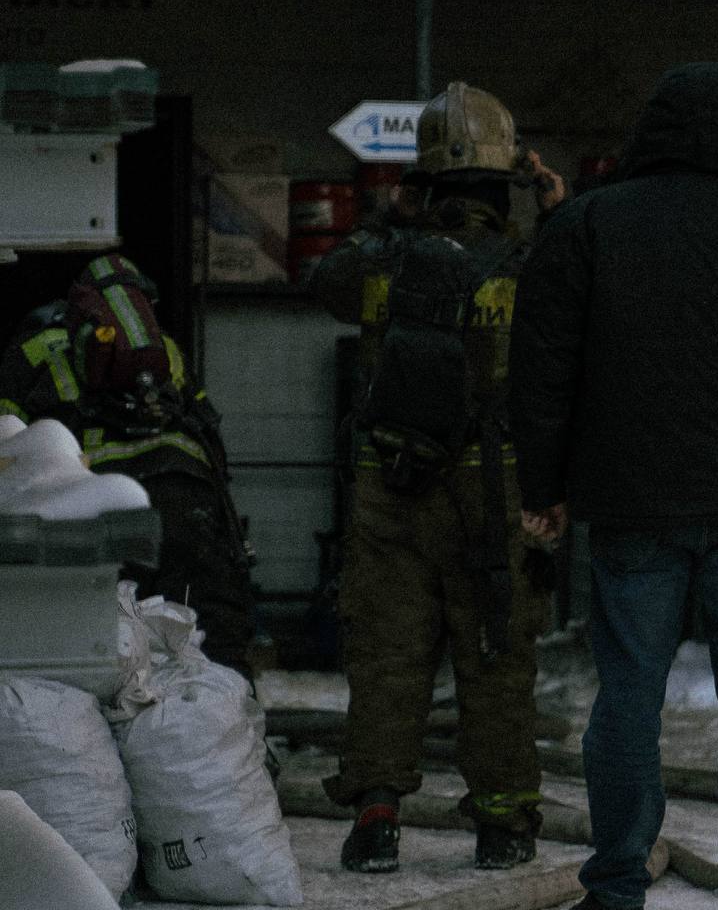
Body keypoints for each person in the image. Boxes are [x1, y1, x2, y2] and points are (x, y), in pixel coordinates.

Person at [511, 63, 718, 910]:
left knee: (627, 694)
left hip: (630, 507)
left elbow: (542, 369)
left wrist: (545, 482)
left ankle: (619, 886)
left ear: (649, 131)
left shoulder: (589, 226)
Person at [309, 82, 567, 875]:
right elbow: (576, 311)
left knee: (388, 659)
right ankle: (502, 828)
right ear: (503, 179)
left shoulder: (383, 259)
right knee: (496, 658)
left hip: (390, 485)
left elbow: (324, 285)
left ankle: (377, 820)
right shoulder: (532, 265)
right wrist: (551, 204)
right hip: (497, 493)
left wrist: (395, 216)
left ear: (424, 179)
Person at [0, 254, 257, 671]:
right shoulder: (164, 349)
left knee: (106, 637)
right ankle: (228, 719)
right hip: (185, 492)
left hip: (107, 502)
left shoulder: (31, 351)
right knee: (207, 632)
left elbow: (8, 439)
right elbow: (207, 424)